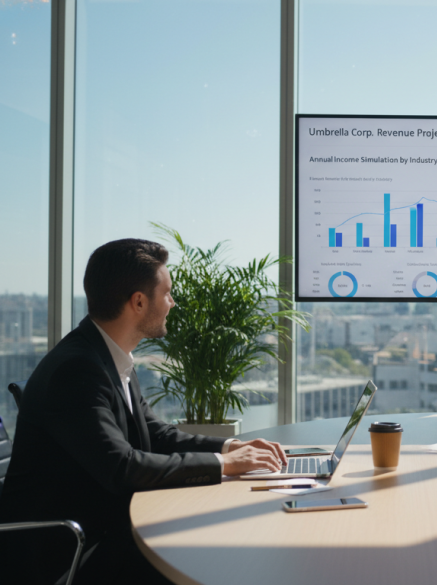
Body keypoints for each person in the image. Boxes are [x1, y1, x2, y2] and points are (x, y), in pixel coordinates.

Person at [0, 239, 288, 585]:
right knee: (215, 552)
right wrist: (224, 466)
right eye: (166, 293)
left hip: (104, 526)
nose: (173, 302)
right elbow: (121, 467)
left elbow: (155, 433)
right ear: (138, 302)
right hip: (68, 553)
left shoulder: (108, 355)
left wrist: (229, 448)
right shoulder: (77, 369)